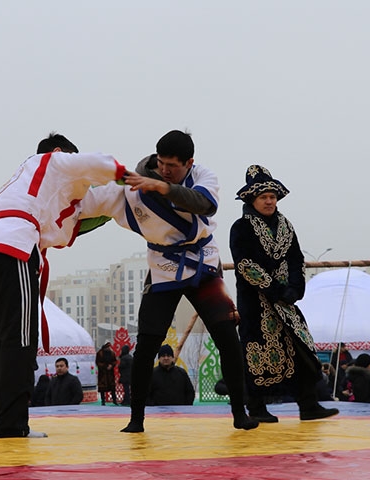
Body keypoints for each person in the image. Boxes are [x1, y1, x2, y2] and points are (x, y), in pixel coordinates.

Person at [81, 130, 257, 432]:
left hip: (202, 262)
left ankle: (239, 412)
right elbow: (88, 202)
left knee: (227, 336)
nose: (165, 170)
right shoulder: (134, 187)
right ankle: (136, 418)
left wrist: (163, 187)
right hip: (163, 266)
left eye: (172, 166)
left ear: (189, 163)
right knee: (148, 342)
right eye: (161, 164)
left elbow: (205, 204)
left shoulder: (204, 176)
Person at [0, 133, 127, 438]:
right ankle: (12, 424)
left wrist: (124, 192)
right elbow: (94, 164)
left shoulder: (25, 179)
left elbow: (92, 203)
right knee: (20, 338)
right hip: (14, 246)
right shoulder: (52, 162)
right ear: (59, 153)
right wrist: (127, 175)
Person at [229, 165, 339, 423]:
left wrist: (296, 288)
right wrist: (275, 290)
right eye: (263, 197)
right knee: (258, 352)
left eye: (272, 196)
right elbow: (246, 265)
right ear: (251, 200)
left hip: (287, 302)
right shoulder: (241, 227)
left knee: (301, 349)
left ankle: (309, 405)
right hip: (256, 303)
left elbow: (296, 258)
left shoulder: (286, 227)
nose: (269, 201)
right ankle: (256, 407)